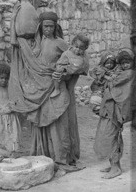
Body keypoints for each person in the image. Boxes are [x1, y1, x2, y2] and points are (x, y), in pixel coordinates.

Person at [8, 11, 83, 171]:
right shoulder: (34, 44)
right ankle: (43, 157)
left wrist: (63, 74)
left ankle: (61, 159)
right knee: (42, 123)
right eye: (45, 26)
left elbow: (78, 62)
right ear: (40, 27)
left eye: (51, 26)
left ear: (55, 27)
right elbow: (18, 45)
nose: (48, 29)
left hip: (56, 88)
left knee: (59, 124)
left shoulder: (61, 43)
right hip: (38, 89)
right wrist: (16, 15)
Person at [94, 48, 136, 179]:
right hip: (109, 109)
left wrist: (105, 75)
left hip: (116, 111)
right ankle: (113, 164)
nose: (125, 65)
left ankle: (116, 167)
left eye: (128, 62)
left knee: (111, 137)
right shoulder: (121, 72)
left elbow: (114, 83)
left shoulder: (129, 73)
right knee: (107, 136)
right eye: (123, 62)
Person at [51, 34, 90, 98]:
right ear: (72, 44)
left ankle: (70, 98)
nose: (77, 50)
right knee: (57, 75)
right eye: (76, 47)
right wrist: (63, 69)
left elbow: (85, 66)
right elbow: (59, 63)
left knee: (70, 88)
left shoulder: (84, 56)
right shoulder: (67, 53)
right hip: (64, 73)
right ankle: (56, 89)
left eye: (81, 48)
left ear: (85, 48)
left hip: (74, 74)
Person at [89, 51, 118, 115]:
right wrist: (105, 76)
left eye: (111, 63)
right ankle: (99, 110)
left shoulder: (115, 70)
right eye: (107, 63)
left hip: (110, 90)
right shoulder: (100, 69)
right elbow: (93, 72)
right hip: (100, 88)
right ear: (103, 63)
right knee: (95, 100)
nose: (109, 65)